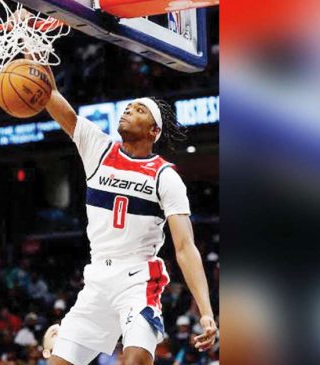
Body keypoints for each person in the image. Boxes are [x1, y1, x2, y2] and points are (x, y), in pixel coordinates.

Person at [36, 58, 217, 365]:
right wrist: (31, 44)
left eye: (139, 109)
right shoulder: (98, 148)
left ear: (153, 131)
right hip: (97, 279)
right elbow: (49, 92)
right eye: (128, 106)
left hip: (138, 280)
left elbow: (185, 248)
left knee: (134, 360)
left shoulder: (165, 176)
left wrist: (207, 312)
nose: (129, 110)